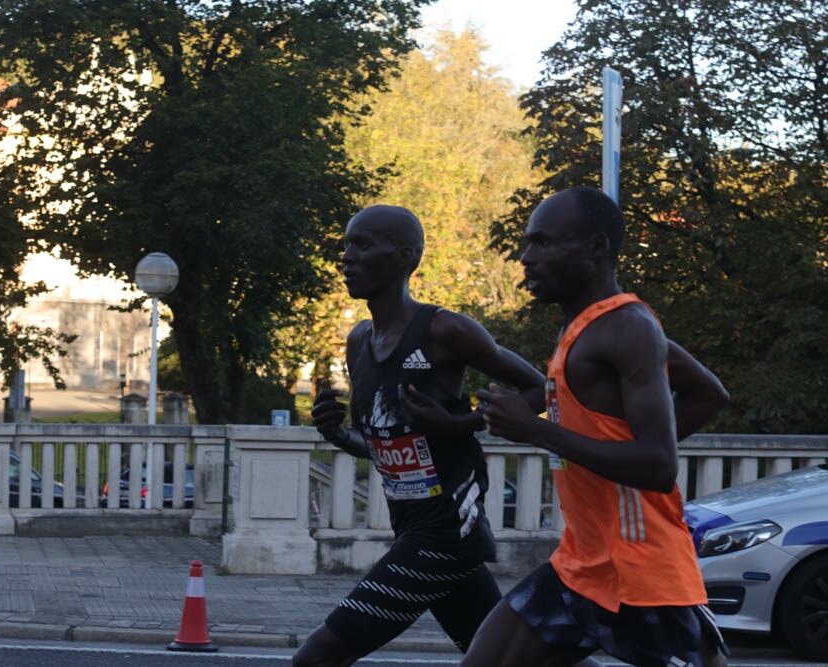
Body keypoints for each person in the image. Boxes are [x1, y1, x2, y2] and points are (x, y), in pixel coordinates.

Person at [462, 186, 731, 667]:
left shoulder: (629, 327)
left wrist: (535, 431)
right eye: (528, 243)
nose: (526, 257)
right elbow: (708, 394)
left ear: (596, 248)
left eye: (543, 243)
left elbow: (656, 465)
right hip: (582, 563)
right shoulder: (584, 327)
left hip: (642, 570)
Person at [292, 204, 549, 666]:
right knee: (518, 661)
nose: (347, 257)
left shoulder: (444, 330)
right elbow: (383, 447)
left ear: (406, 257)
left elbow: (541, 389)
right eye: (346, 244)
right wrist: (337, 436)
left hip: (446, 534)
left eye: (363, 245)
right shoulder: (359, 342)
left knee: (317, 657)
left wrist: (459, 424)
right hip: (410, 527)